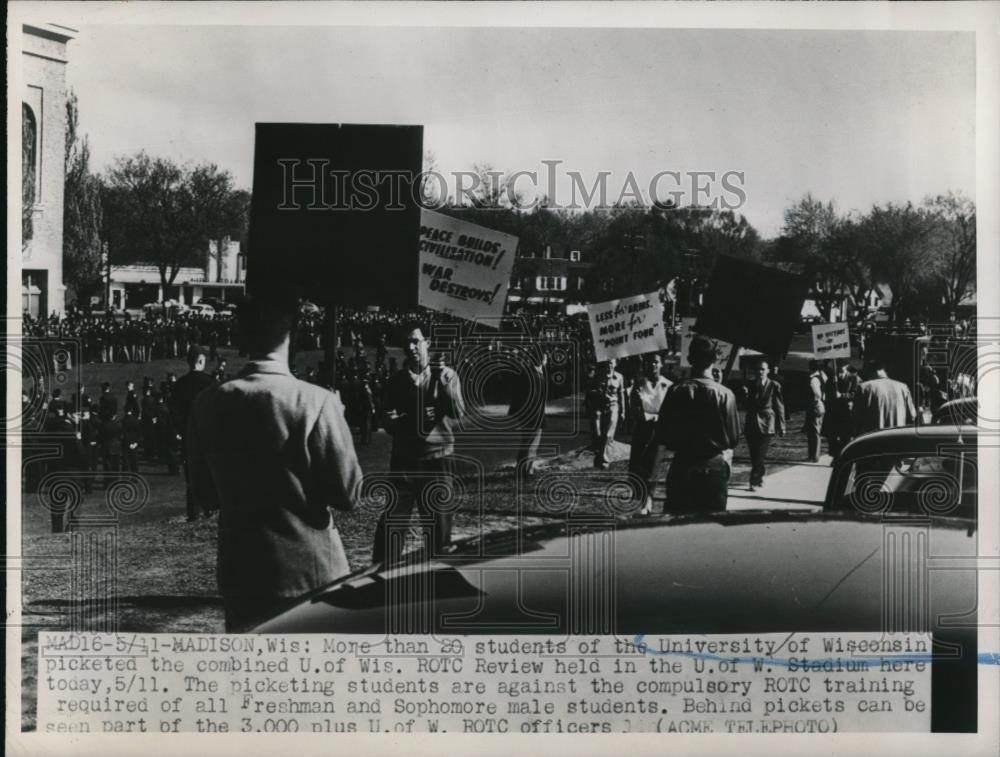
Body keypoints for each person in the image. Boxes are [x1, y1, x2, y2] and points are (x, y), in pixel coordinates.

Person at [188, 293, 363, 632]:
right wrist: (338, 421)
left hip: (242, 574)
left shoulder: (207, 403)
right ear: (292, 334)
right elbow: (348, 494)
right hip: (310, 573)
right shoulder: (316, 402)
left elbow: (205, 496)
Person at [373, 323, 465, 565]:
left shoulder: (447, 376)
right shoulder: (396, 381)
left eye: (416, 341)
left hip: (438, 459)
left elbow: (458, 413)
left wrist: (444, 382)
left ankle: (438, 580)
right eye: (407, 343)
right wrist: (391, 421)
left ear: (428, 343)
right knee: (392, 524)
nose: (411, 347)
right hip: (404, 460)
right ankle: (381, 577)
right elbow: (387, 421)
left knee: (438, 527)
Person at [642, 336, 741, 514]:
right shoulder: (726, 395)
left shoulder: (676, 391)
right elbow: (733, 439)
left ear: (689, 359)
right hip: (714, 469)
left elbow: (662, 435)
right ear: (715, 359)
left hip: (683, 468)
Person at [171, 345, 217, 520]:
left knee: (191, 473)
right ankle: (209, 508)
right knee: (209, 470)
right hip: (208, 433)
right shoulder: (210, 383)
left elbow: (173, 412)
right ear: (201, 361)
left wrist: (180, 430)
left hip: (187, 434)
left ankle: (193, 510)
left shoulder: (179, 385)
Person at [628, 352, 671, 513]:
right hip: (641, 432)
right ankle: (639, 500)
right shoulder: (639, 385)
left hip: (658, 433)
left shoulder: (668, 385)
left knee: (652, 467)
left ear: (661, 365)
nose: (652, 366)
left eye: (656, 363)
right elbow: (636, 410)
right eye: (649, 363)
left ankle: (649, 500)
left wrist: (652, 416)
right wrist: (647, 414)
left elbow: (669, 412)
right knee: (638, 467)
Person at [742, 359, 785, 491]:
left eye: (763, 369)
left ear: (768, 371)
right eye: (758, 369)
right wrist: (745, 395)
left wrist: (781, 425)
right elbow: (744, 405)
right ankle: (760, 474)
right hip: (751, 423)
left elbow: (779, 406)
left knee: (760, 454)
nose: (760, 372)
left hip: (767, 423)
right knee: (754, 454)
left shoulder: (774, 385)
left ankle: (754, 481)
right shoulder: (749, 385)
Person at [508, 344, 548, 477]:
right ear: (542, 358)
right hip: (534, 415)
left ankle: (521, 469)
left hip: (528, 415)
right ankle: (527, 471)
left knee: (527, 442)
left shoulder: (529, 371)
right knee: (531, 443)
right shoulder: (535, 375)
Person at [853, 359, 917, 436]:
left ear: (871, 372)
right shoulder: (903, 387)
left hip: (873, 442)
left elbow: (856, 419)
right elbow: (912, 416)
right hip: (897, 441)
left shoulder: (864, 388)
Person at [590, 358, 626, 470]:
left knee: (607, 434)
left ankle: (603, 459)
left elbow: (621, 395)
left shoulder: (619, 377)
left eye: (611, 363)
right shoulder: (598, 375)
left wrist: (623, 411)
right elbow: (591, 391)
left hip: (613, 406)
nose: (609, 365)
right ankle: (599, 453)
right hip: (600, 406)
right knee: (597, 433)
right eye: (607, 363)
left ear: (615, 364)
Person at [825, 363, 860, 460]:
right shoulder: (832, 379)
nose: (840, 373)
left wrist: (842, 395)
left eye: (842, 371)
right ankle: (835, 454)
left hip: (846, 411)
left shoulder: (854, 378)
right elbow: (827, 392)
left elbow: (855, 394)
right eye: (838, 371)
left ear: (847, 371)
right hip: (834, 411)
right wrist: (832, 384)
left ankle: (841, 457)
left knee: (845, 436)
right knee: (832, 435)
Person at [805, 360, 826, 462]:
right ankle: (813, 454)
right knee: (815, 429)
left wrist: (815, 400)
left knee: (814, 430)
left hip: (815, 404)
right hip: (820, 405)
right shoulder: (823, 376)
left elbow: (817, 393)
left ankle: (815, 455)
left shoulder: (813, 379)